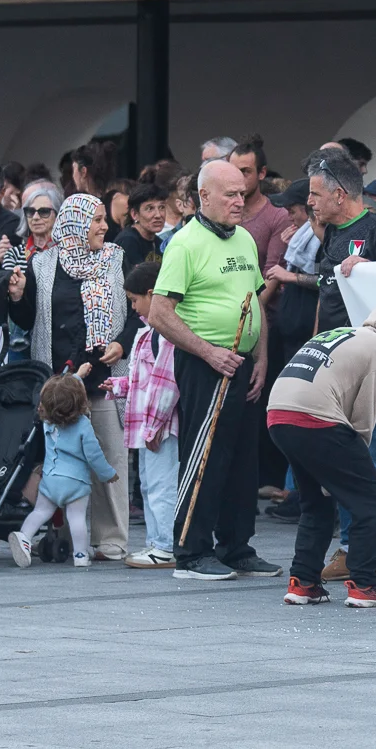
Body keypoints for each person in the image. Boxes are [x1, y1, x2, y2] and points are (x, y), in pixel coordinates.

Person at [149, 159, 276, 582]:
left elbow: (255, 302)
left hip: (242, 363)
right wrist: (208, 352)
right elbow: (159, 313)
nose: (240, 201)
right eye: (231, 194)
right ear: (204, 196)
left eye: (243, 193)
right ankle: (191, 551)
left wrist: (261, 358)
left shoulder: (243, 238)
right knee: (205, 456)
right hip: (206, 365)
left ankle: (236, 546)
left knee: (242, 459)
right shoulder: (185, 244)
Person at [266, 301, 376, 607]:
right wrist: (353, 466)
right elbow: (363, 421)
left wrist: (335, 477)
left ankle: (303, 582)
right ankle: (365, 584)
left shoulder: (343, 334)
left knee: (315, 502)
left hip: (278, 415)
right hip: (317, 419)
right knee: (369, 498)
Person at [305, 147, 376, 584]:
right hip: (335, 363)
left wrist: (373, 270)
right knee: (344, 458)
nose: (310, 202)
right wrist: (315, 347)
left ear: (339, 193)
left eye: (315, 194)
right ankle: (352, 546)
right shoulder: (332, 233)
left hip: (372, 362)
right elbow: (326, 296)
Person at [8, 193, 133, 564]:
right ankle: (62, 537)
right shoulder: (43, 263)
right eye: (96, 220)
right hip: (60, 384)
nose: (104, 226)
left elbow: (136, 312)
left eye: (103, 219)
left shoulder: (116, 259)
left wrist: (121, 344)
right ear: (76, 224)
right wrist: (17, 297)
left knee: (109, 457)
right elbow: (29, 319)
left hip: (103, 378)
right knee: (60, 461)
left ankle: (110, 540)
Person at [4, 374, 118, 568]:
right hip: (75, 483)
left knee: (40, 512)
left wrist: (76, 375)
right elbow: (94, 455)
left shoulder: (48, 422)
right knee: (76, 519)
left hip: (50, 480)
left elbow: (61, 393)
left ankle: (24, 538)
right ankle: (80, 555)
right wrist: (107, 474)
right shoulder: (83, 425)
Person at [109, 260, 179, 569]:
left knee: (163, 485)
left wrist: (155, 426)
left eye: (135, 300)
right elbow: (141, 379)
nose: (134, 307)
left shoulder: (166, 335)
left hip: (159, 429)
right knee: (149, 485)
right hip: (147, 428)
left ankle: (165, 545)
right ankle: (155, 541)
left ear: (152, 294)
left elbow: (166, 384)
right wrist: (118, 385)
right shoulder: (145, 333)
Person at [228, 135, 286, 265]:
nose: (238, 177)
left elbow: (272, 271)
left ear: (262, 173)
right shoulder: (220, 212)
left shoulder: (277, 216)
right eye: (233, 171)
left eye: (245, 171)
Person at [114, 182, 169, 266]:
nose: (158, 215)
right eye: (150, 208)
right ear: (134, 214)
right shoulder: (128, 241)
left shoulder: (159, 243)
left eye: (162, 207)